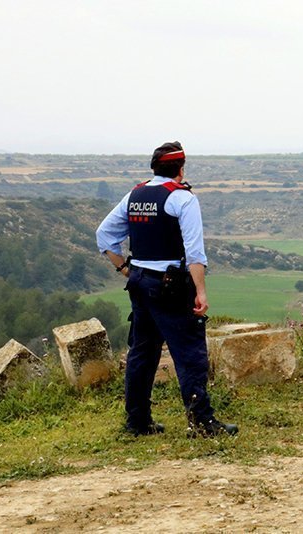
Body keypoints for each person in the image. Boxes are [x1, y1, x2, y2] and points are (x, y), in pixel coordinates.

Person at [96, 141, 237, 437]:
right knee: (189, 353)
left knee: (142, 353)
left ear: (155, 167)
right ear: (180, 168)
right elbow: (195, 253)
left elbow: (104, 234)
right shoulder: (182, 198)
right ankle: (201, 423)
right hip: (171, 286)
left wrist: (123, 268)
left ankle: (137, 422)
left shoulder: (135, 195)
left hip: (139, 281)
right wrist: (201, 291)